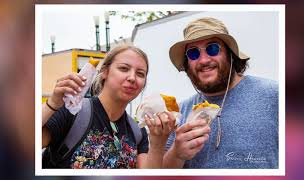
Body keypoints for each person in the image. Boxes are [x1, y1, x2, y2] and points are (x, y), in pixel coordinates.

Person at [164, 17, 278, 168]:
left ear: (230, 54)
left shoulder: (274, 95)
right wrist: (177, 154)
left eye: (212, 48)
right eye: (193, 53)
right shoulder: (180, 112)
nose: (203, 60)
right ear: (187, 63)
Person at [42, 44, 176, 169]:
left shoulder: (137, 131)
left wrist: (158, 144)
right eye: (124, 68)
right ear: (105, 72)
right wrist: (52, 104)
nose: (132, 78)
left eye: (140, 74)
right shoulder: (73, 111)